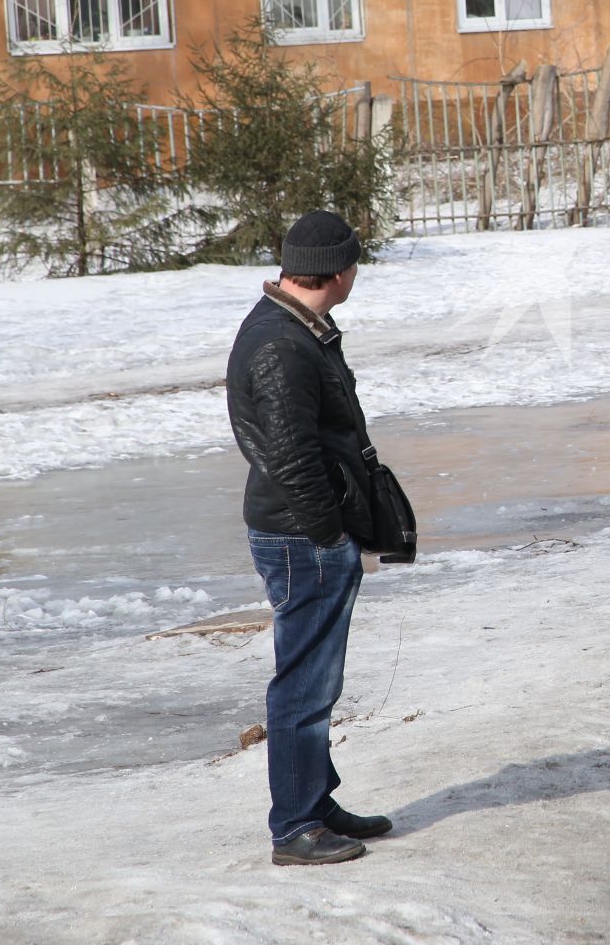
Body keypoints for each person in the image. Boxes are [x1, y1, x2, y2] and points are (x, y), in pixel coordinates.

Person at [226, 210, 390, 867]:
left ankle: (314, 801)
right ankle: (295, 824)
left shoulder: (295, 328)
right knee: (303, 685)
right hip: (301, 538)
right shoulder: (279, 344)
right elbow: (290, 455)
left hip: (305, 533)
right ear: (339, 271)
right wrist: (328, 535)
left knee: (317, 682)